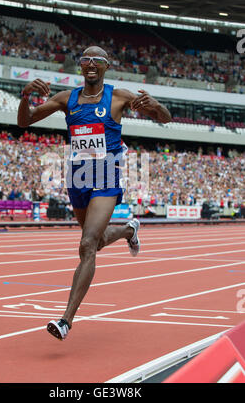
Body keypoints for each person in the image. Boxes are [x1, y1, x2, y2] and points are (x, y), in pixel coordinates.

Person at [17, 45, 171, 340]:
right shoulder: (67, 99)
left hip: (107, 175)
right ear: (80, 66)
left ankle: (65, 321)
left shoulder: (119, 97)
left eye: (96, 60)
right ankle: (128, 230)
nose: (90, 64)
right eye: (85, 59)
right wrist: (25, 97)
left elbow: (164, 118)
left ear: (106, 66)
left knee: (87, 245)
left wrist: (156, 104)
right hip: (78, 176)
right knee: (97, 241)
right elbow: (25, 121)